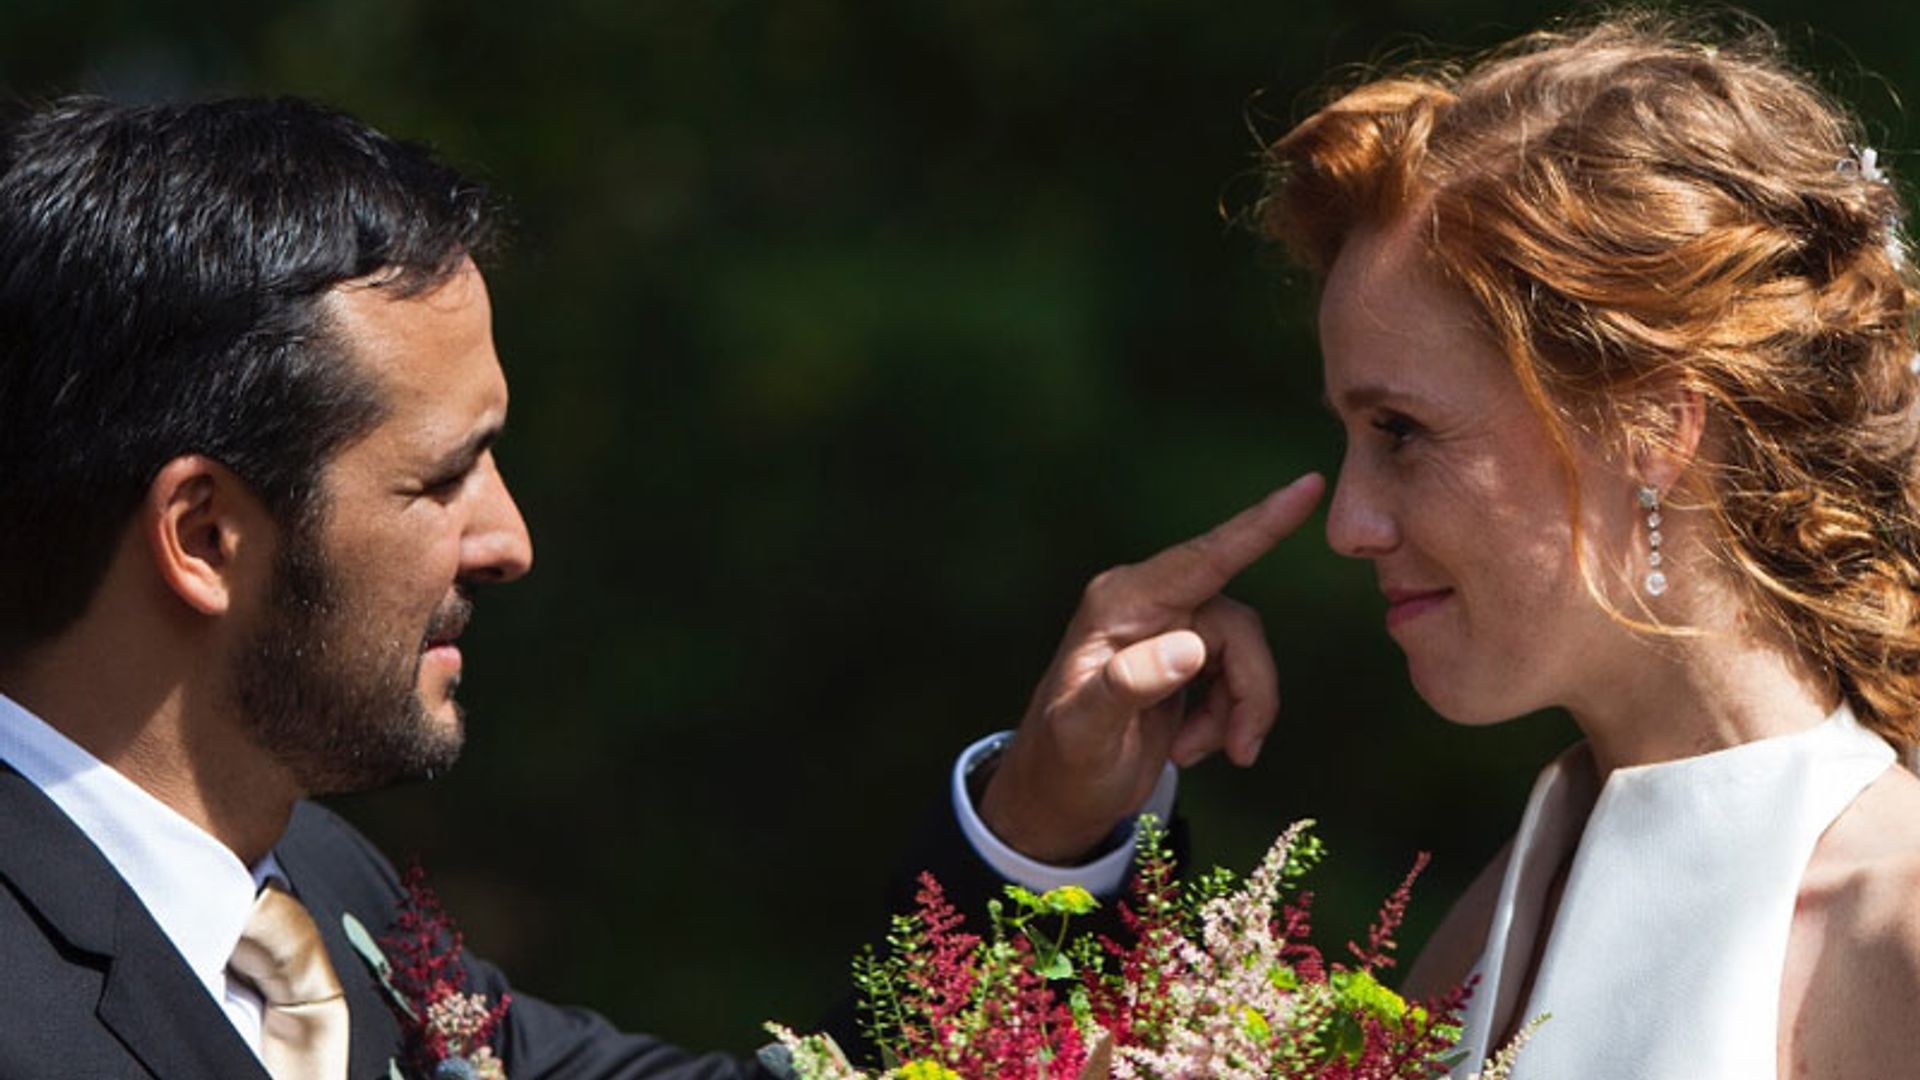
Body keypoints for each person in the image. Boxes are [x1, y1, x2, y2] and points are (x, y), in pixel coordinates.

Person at [0, 96, 1317, 1078]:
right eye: (440, 479)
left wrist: (1048, 822)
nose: (509, 541)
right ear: (206, 534)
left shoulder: (313, 897)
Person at [1246, 12, 1920, 1079]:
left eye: (1402, 432)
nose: (1350, 524)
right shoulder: (1495, 915)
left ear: (1653, 427)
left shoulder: (1896, 927)